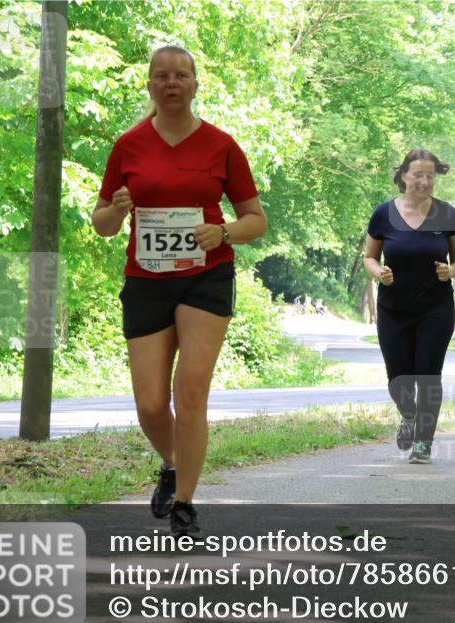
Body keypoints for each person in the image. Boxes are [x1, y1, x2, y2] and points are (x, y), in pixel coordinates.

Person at [91, 45, 267, 536]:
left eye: (181, 76)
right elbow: (102, 223)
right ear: (150, 85)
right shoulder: (129, 145)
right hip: (146, 280)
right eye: (162, 76)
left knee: (189, 393)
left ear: (194, 85)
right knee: (150, 404)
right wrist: (119, 210)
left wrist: (226, 231)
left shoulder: (221, 145)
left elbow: (257, 220)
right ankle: (171, 464)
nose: (172, 83)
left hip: (205, 276)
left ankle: (185, 501)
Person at [364, 148, 455, 464]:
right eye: (418, 174)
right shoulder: (383, 214)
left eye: (430, 176)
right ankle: (408, 415)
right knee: (398, 378)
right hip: (394, 309)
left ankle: (424, 442)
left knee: (428, 376)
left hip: (435, 308)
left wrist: (451, 271)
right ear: (404, 176)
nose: (424, 181)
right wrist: (379, 273)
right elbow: (370, 257)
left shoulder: (447, 214)